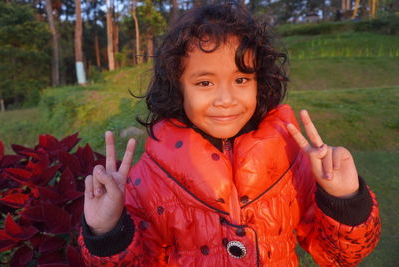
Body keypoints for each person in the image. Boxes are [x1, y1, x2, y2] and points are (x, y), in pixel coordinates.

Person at [79, 3, 380, 266]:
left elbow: (340, 256)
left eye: (240, 79)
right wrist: (107, 231)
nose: (226, 99)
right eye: (205, 83)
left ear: (259, 82)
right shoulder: (149, 178)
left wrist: (345, 200)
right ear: (177, 87)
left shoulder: (292, 161)